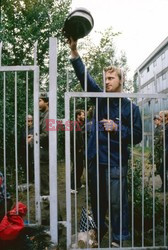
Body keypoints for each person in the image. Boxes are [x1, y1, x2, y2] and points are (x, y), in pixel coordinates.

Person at [67, 37, 142, 247]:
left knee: (117, 204)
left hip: (116, 163)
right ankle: (98, 233)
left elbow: (137, 136)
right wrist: (75, 53)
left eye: (111, 78)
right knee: (97, 204)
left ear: (120, 80)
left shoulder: (130, 108)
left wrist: (118, 128)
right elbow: (85, 79)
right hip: (95, 162)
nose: (107, 81)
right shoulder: (100, 99)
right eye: (106, 78)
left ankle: (118, 239)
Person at [71, 109, 85, 194]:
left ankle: (78, 184)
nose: (84, 116)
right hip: (76, 150)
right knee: (75, 168)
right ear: (78, 115)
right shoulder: (74, 124)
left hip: (79, 150)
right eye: (82, 115)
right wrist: (78, 148)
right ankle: (72, 187)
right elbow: (74, 138)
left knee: (80, 167)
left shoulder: (79, 124)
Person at [19, 115, 34, 183]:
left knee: (31, 164)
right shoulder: (23, 129)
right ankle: (27, 178)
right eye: (28, 121)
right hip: (24, 150)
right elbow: (21, 139)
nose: (29, 122)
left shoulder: (34, 129)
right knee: (25, 164)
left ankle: (32, 179)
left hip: (32, 150)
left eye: (31, 121)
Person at [159, 110, 168, 192]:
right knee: (162, 169)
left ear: (166, 117)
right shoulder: (164, 126)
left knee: (162, 169)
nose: (160, 118)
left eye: (161, 117)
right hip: (165, 149)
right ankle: (164, 186)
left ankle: (165, 186)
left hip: (167, 150)